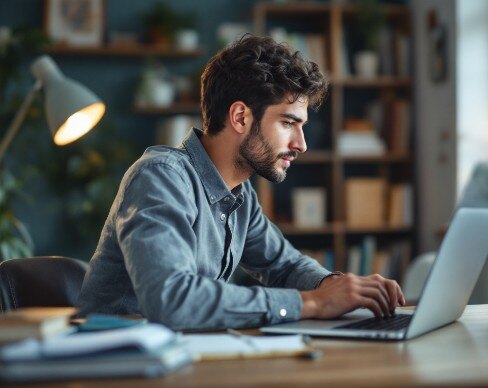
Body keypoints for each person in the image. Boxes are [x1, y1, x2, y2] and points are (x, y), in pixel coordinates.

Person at [77, 35, 405, 330]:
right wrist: (313, 303)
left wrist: (340, 287)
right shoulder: (161, 176)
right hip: (117, 365)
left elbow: (284, 265)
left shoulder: (239, 194)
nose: (301, 144)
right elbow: (171, 299)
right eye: (289, 123)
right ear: (240, 117)